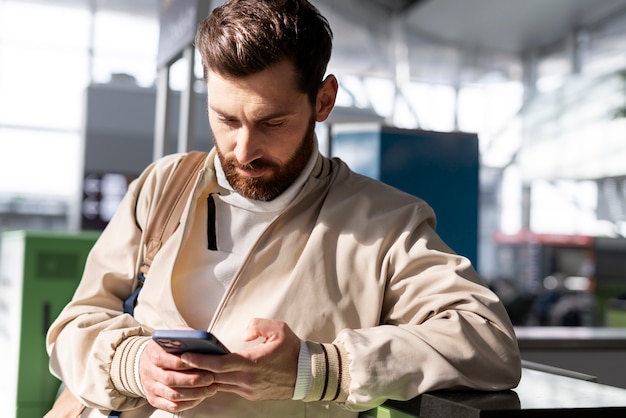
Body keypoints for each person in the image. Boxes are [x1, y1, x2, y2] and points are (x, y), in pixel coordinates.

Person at [46, 0, 521, 416]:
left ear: (324, 100)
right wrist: (131, 363)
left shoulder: (386, 223)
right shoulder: (164, 185)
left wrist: (320, 369)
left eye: (272, 122)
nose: (243, 150)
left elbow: (487, 341)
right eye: (225, 118)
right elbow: (72, 328)